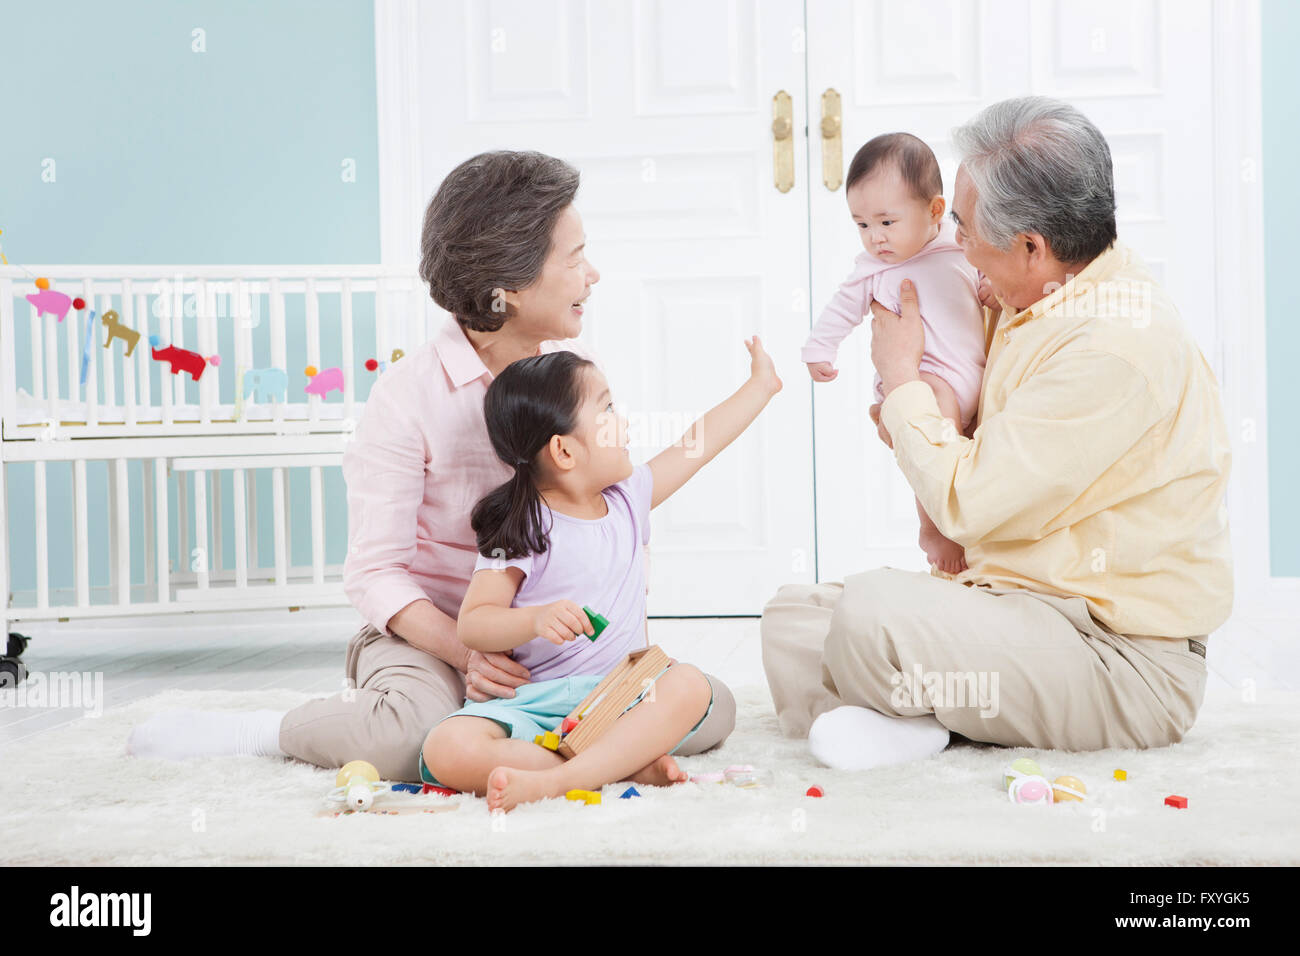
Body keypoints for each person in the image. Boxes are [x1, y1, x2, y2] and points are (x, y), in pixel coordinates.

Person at [126, 151, 738, 779]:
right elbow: (375, 572)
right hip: (433, 638)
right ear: (510, 287)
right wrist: (467, 653)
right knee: (406, 740)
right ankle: (261, 732)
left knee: (708, 708)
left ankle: (565, 759)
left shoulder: (569, 370)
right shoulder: (407, 397)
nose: (594, 275)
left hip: (552, 658)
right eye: (575, 259)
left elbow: (603, 491)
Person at [763, 96, 1232, 770]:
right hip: (1009, 605)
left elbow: (969, 503)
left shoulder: (1114, 346)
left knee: (868, 615)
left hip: (1116, 655)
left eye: (961, 224)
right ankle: (910, 718)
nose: (954, 240)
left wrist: (901, 380)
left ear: (1032, 247)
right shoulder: (1037, 291)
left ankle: (909, 714)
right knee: (792, 619)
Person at [422, 339, 780, 811]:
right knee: (445, 747)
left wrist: (760, 386)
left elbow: (700, 442)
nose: (625, 422)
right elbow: (474, 622)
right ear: (564, 452)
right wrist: (532, 620)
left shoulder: (629, 499)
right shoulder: (520, 524)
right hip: (535, 704)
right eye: (608, 410)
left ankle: (558, 777)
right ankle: (618, 766)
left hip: (623, 698)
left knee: (690, 684)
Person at [802, 132, 994, 574]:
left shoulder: (959, 243)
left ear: (935, 211)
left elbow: (987, 270)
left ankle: (977, 540)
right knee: (934, 424)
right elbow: (841, 309)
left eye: (887, 222)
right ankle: (934, 526)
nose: (875, 238)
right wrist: (820, 347)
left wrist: (988, 288)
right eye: (862, 225)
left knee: (972, 448)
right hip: (920, 378)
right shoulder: (871, 270)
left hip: (972, 375)